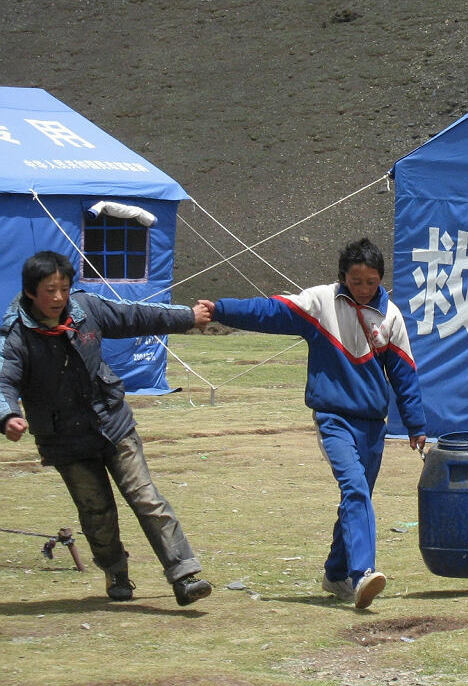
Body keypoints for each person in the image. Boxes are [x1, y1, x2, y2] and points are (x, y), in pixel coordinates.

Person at [198, 238, 426, 609]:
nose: (364, 289)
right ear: (343, 278)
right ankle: (363, 573)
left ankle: (336, 575)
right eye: (356, 281)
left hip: (372, 424)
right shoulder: (320, 303)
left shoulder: (392, 317)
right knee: (354, 488)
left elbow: (405, 376)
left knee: (359, 498)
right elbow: (269, 311)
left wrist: (416, 425)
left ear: (381, 279)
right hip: (332, 417)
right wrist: (222, 309)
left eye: (371, 282)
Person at [0, 251, 213, 606]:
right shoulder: (14, 334)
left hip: (112, 424)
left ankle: (185, 574)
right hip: (65, 440)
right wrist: (8, 416)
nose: (57, 298)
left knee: (147, 499)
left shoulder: (87, 310)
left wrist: (187, 317)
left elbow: (137, 315)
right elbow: (3, 380)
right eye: (49, 290)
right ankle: (116, 572)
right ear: (30, 292)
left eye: (63, 289)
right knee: (96, 513)